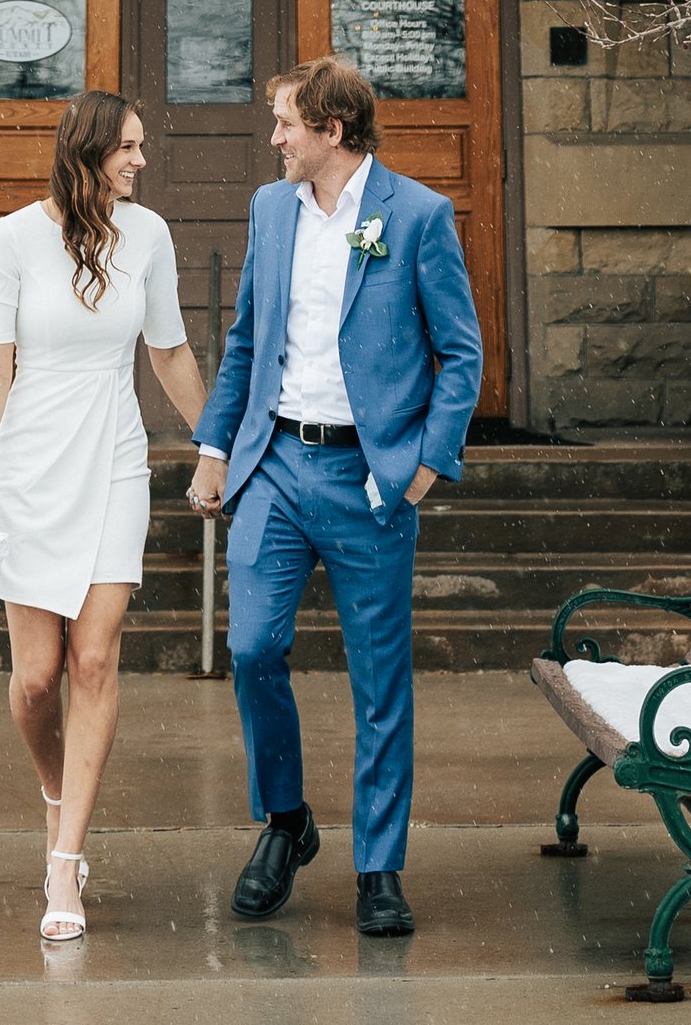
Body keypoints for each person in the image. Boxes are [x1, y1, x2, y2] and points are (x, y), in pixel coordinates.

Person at [186, 56, 485, 941]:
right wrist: (213, 450)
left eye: (285, 123)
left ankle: (380, 870)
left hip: (370, 478)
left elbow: (461, 353)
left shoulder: (419, 217)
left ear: (333, 132)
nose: (273, 139)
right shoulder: (271, 211)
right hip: (274, 463)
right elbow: (245, 340)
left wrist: (426, 465)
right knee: (251, 648)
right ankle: (286, 822)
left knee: (380, 681)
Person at [0, 88, 215, 949]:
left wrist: (214, 445)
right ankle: (55, 793)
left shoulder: (148, 237)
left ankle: (65, 858)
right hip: (30, 469)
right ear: (88, 151)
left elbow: (170, 350)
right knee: (37, 679)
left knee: (95, 658)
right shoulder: (13, 238)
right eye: (130, 148)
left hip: (112, 461)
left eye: (142, 146)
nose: (142, 161)